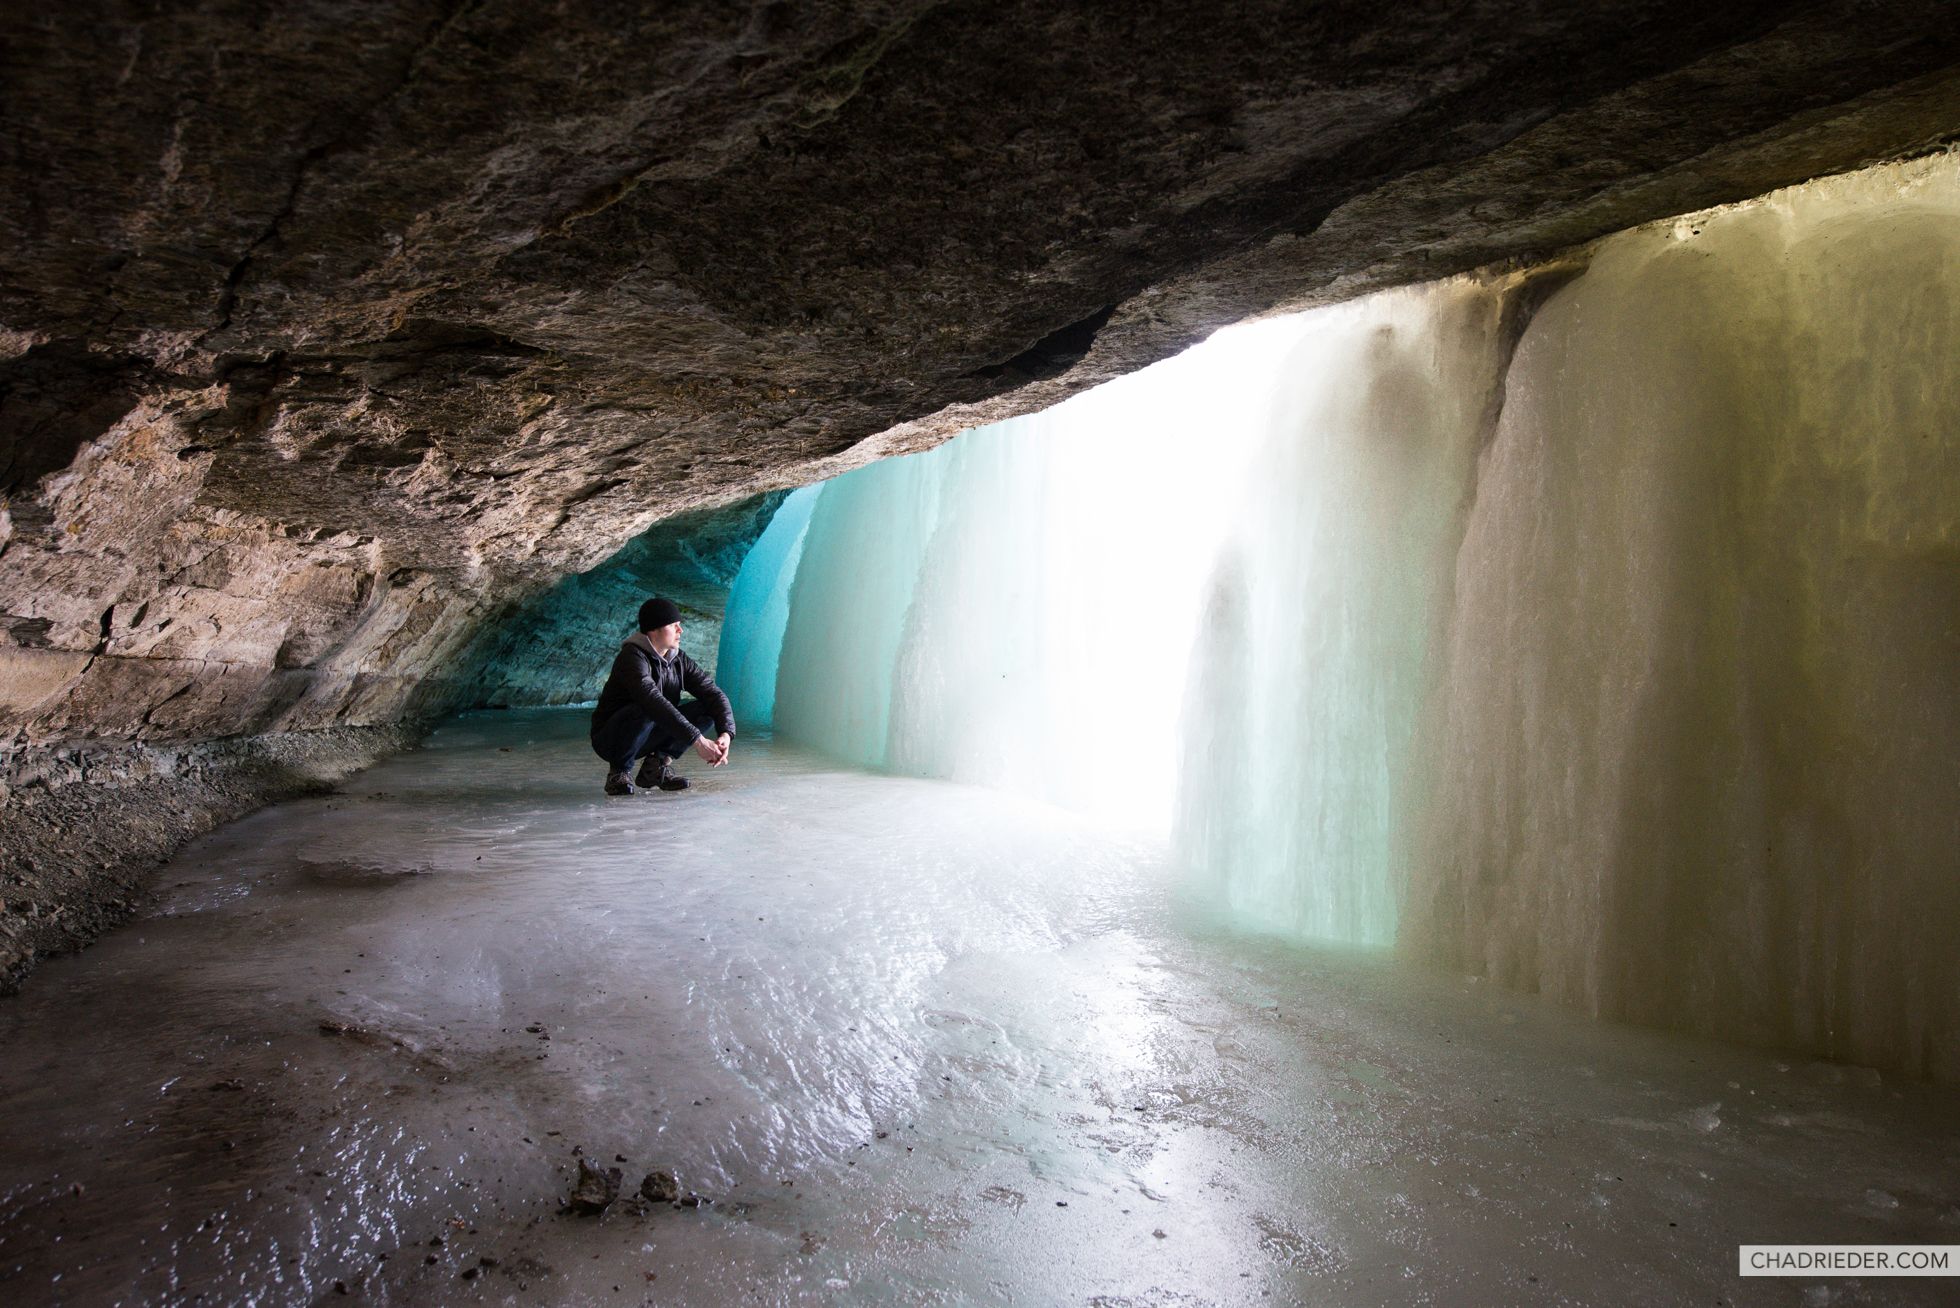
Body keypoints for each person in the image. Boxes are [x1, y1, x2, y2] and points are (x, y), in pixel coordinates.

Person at [589, 597, 735, 796]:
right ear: (654, 629)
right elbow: (651, 700)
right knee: (647, 706)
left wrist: (726, 733)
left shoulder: (679, 659)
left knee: (707, 707)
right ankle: (619, 771)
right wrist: (698, 741)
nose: (680, 631)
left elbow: (714, 694)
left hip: (649, 731)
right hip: (611, 738)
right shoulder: (632, 657)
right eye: (674, 625)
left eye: (680, 625)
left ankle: (655, 768)